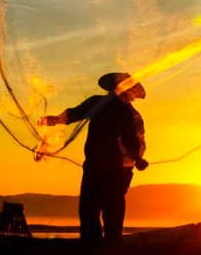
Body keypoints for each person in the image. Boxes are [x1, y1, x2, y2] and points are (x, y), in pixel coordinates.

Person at [40, 72, 148, 244]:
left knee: (105, 211)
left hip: (112, 170)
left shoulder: (123, 111)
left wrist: (137, 158)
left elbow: (131, 139)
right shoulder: (101, 104)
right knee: (92, 210)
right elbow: (75, 113)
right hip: (96, 167)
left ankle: (106, 248)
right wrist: (54, 120)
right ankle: (99, 248)